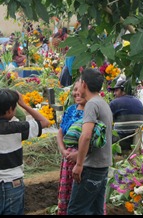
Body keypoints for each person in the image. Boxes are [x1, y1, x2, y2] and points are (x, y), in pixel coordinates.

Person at [67, 68, 113, 215]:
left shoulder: (92, 104)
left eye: (80, 81)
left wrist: (79, 164)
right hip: (102, 165)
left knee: (75, 210)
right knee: (96, 210)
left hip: (91, 166)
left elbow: (86, 135)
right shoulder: (103, 102)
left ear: (84, 85)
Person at [56, 80, 86, 215]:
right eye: (74, 90)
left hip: (84, 158)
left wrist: (79, 155)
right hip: (67, 158)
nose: (76, 93)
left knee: (81, 193)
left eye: (79, 90)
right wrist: (63, 150)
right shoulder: (71, 110)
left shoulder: (92, 110)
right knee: (67, 194)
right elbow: (61, 131)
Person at [109, 77, 143, 150]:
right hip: (136, 140)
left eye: (116, 90)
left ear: (124, 90)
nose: (114, 93)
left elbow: (107, 121)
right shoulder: (139, 102)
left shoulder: (115, 103)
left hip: (120, 141)